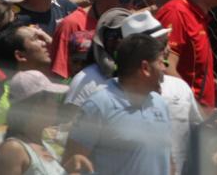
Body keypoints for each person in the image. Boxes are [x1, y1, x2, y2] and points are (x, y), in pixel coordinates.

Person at [62, 33, 174, 175]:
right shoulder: (98, 105)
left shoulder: (159, 103)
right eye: (161, 62)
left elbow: (167, 159)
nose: (164, 68)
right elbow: (72, 163)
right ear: (145, 68)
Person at [0, 68, 70, 175]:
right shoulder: (14, 150)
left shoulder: (45, 145)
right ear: (36, 106)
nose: (56, 104)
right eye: (52, 98)